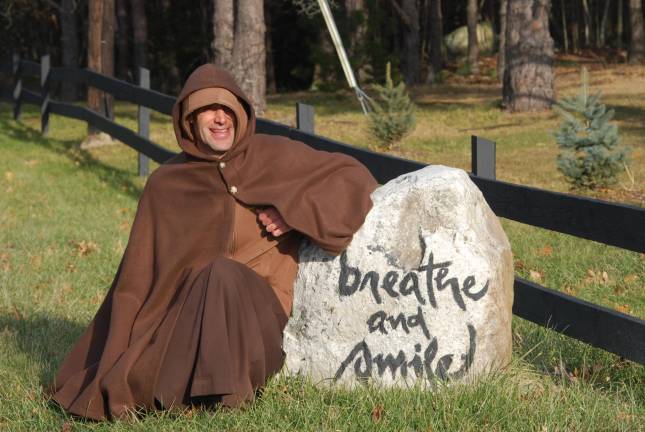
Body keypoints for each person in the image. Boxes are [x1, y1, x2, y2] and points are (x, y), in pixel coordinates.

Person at [49, 64, 377, 420]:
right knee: (140, 370)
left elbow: (355, 177)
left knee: (222, 274)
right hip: (185, 316)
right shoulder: (166, 185)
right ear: (189, 121)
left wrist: (293, 211)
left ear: (240, 113)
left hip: (260, 317)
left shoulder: (274, 155)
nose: (219, 119)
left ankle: (225, 398)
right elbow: (134, 282)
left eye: (227, 109)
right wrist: (107, 357)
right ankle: (190, 392)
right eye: (208, 110)